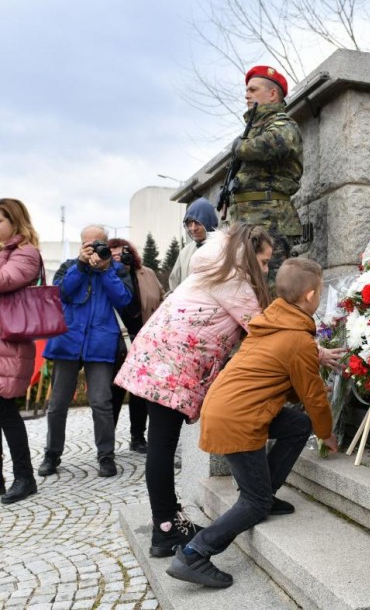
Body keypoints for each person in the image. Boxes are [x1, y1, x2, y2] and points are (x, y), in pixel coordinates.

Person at [165, 257, 338, 588]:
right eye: (321, 293)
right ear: (311, 295)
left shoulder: (273, 322)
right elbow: (314, 396)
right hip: (239, 419)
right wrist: (326, 433)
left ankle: (266, 492)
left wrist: (309, 408)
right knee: (253, 503)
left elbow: (275, 377)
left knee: (297, 426)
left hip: (230, 409)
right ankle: (194, 554)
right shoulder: (297, 338)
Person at [114, 223, 274, 558]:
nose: (266, 270)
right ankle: (165, 529)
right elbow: (267, 331)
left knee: (161, 442)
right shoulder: (235, 281)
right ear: (248, 255)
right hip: (171, 364)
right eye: (264, 262)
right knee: (161, 444)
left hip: (159, 357)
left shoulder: (216, 269)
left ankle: (171, 521)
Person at [38, 225, 133, 478]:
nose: (92, 249)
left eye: (97, 244)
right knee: (57, 404)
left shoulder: (118, 270)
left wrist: (105, 271)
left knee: (101, 403)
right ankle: (51, 454)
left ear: (105, 244)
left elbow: (124, 300)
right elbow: (61, 295)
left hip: (100, 344)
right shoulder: (69, 266)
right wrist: (80, 266)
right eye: (87, 244)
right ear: (81, 245)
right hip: (68, 342)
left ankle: (106, 457)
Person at [228, 65, 304, 288]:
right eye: (247, 91)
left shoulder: (282, 124)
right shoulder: (253, 129)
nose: (246, 95)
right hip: (247, 220)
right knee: (246, 287)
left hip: (271, 220)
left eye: (253, 89)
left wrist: (238, 147)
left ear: (272, 94)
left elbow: (272, 145)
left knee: (274, 287)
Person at [0, 198, 41, 504]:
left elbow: (6, 280)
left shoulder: (25, 252)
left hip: (9, 345)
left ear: (15, 222)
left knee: (6, 411)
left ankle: (24, 477)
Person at [108, 238, 164, 453]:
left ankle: (138, 437)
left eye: (122, 254)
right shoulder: (107, 275)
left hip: (143, 339)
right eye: (112, 256)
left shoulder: (146, 273)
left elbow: (160, 299)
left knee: (140, 393)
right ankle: (107, 442)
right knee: (114, 393)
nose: (119, 259)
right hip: (117, 340)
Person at [168, 198, 218, 291]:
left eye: (198, 222)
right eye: (189, 223)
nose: (193, 228)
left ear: (209, 222)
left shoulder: (224, 249)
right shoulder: (184, 253)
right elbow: (174, 287)